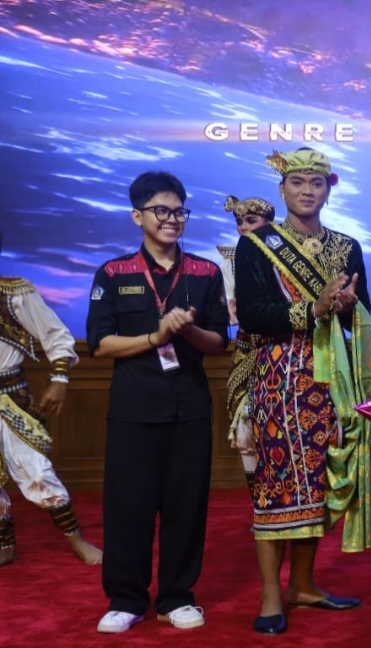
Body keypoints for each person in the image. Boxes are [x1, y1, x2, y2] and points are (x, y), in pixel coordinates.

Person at [235, 147, 371, 636]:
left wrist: (348, 307)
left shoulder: (347, 246)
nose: (307, 191)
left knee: (317, 481)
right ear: (282, 190)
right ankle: (271, 595)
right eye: (298, 183)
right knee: (277, 481)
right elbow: (252, 315)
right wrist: (312, 309)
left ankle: (302, 585)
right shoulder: (258, 245)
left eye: (317, 183)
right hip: (280, 377)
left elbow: (360, 316)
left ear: (328, 191)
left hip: (331, 378)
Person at [86, 171, 230, 633]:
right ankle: (125, 599)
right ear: (138, 216)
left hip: (190, 407)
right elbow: (100, 344)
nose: (172, 219)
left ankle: (177, 597)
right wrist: (156, 335)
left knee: (186, 506)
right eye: (161, 211)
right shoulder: (114, 273)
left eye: (179, 211)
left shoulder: (205, 272)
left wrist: (187, 331)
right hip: (133, 409)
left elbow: (219, 344)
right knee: (128, 506)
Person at [0, 233, 102, 568]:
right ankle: (4, 544)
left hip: (9, 400)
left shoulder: (15, 293)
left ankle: (76, 539)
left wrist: (59, 378)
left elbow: (56, 334)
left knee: (37, 473)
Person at [219, 195, 275, 494]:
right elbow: (231, 311)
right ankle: (258, 498)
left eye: (251, 221)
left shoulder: (285, 257)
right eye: (239, 222)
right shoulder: (230, 260)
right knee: (244, 428)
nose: (243, 227)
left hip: (283, 348)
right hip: (247, 348)